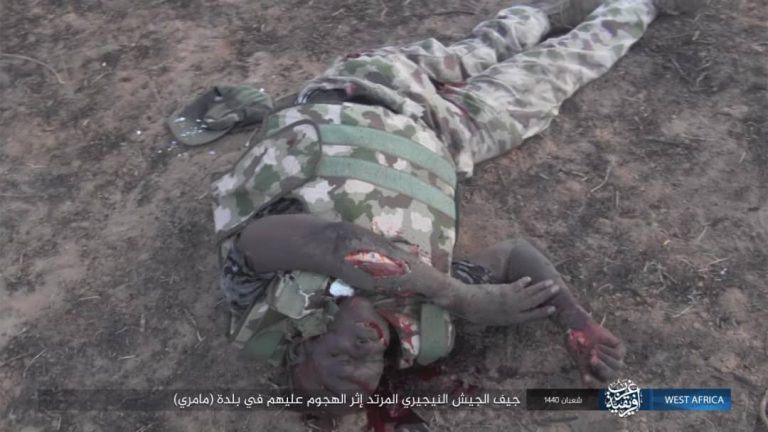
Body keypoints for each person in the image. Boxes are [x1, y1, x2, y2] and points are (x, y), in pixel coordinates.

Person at [205, 0, 700, 413]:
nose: (363, 352)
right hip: (445, 134)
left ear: (301, 345)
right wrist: (575, 320)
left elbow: (335, 241)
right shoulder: (419, 321)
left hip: (361, 91)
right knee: (559, 72)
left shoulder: (253, 286)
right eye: (367, 371)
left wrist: (462, 297)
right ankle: (641, 5)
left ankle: (550, 10)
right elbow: (514, 256)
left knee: (487, 46)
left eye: (340, 359)